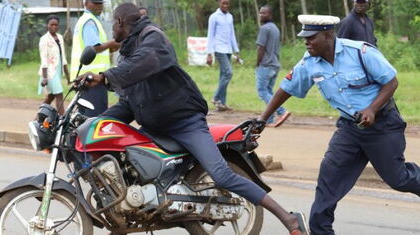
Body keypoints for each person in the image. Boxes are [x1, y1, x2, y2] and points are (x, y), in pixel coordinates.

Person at [81, 3, 309, 235]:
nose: (112, 30)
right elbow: (129, 103)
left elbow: (144, 62)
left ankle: (289, 219)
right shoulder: (128, 54)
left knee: (221, 174)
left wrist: (104, 77)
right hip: (154, 128)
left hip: (185, 123)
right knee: (128, 166)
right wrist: (95, 124)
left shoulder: (153, 38)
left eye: (113, 24)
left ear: (120, 22)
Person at [258, 14, 420, 235]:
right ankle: (320, 231)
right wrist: (262, 118)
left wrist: (372, 109)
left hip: (382, 125)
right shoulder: (309, 62)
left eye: (311, 38)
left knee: (398, 179)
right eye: (304, 38)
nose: (306, 42)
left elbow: (391, 81)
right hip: (350, 129)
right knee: (329, 179)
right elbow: (287, 88)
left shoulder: (360, 52)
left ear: (328, 35)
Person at [70, 0, 120, 117]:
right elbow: (94, 47)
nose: (99, 6)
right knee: (95, 120)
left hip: (86, 78)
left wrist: (110, 47)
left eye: (101, 3)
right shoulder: (89, 22)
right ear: (86, 3)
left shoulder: (88, 20)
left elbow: (99, 48)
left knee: (84, 119)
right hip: (92, 79)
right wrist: (112, 43)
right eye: (96, 3)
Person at [255, 5, 290, 127]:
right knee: (269, 91)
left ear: (270, 14)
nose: (261, 15)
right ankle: (268, 119)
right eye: (260, 13)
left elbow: (261, 47)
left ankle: (282, 111)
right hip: (275, 65)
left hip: (266, 64)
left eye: (264, 13)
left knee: (262, 91)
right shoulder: (275, 28)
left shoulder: (264, 28)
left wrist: (257, 63)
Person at [206, 0, 241, 112]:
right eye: (223, 3)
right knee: (228, 73)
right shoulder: (214, 17)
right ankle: (216, 97)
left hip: (228, 49)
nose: (225, 5)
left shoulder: (230, 17)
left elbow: (232, 34)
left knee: (223, 76)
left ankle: (222, 104)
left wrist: (236, 50)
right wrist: (209, 54)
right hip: (218, 49)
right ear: (219, 3)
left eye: (227, 3)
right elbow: (210, 35)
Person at [38, 15, 70, 115]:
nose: (54, 27)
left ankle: (38, 117)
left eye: (56, 25)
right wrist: (44, 77)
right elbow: (43, 58)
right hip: (49, 72)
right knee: (59, 95)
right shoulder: (44, 39)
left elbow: (63, 57)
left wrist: (67, 76)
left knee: (51, 96)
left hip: (58, 70)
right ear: (47, 25)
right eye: (51, 25)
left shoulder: (60, 37)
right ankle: (62, 120)